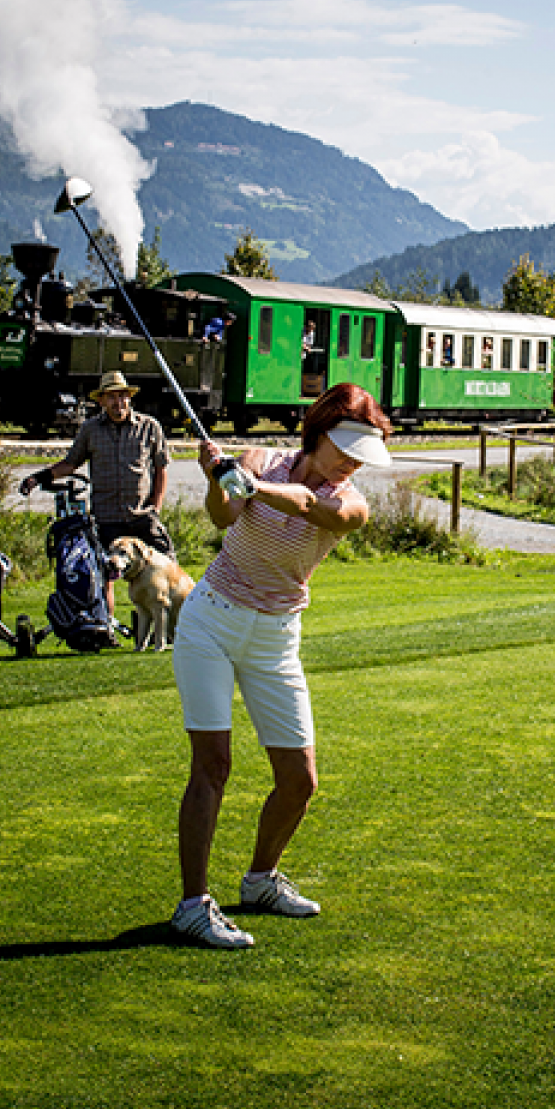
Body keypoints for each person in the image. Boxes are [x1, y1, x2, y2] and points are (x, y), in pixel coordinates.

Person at [169, 380, 395, 949]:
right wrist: (219, 479)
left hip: (276, 639)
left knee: (299, 780)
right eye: (345, 450)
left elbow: (311, 508)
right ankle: (193, 905)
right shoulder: (259, 459)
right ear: (319, 433)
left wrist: (255, 488)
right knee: (213, 764)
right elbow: (222, 517)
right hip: (212, 622)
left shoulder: (352, 503)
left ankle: (260, 881)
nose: (351, 464)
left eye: (361, 456)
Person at [20, 371, 171, 630]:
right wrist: (39, 477)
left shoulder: (149, 427)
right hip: (106, 517)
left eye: (122, 396)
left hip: (141, 515)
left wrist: (155, 507)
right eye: (111, 397)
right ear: (101, 401)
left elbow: (161, 469)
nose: (118, 402)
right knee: (101, 577)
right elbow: (71, 463)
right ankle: (105, 626)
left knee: (167, 568)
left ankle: (174, 628)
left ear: (129, 398)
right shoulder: (90, 429)